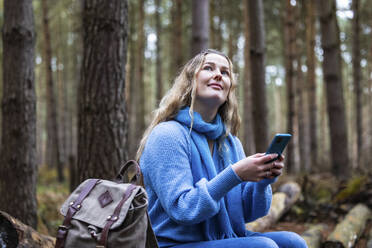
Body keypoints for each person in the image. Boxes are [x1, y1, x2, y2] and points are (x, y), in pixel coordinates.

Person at [137, 49, 307, 248]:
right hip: (172, 243)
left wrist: (262, 182)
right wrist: (235, 174)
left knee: (294, 242)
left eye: (225, 72)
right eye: (208, 68)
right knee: (263, 247)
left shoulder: (230, 143)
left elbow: (249, 213)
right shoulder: (168, 135)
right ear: (190, 81)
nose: (218, 74)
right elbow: (183, 209)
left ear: (228, 91)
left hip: (222, 238)